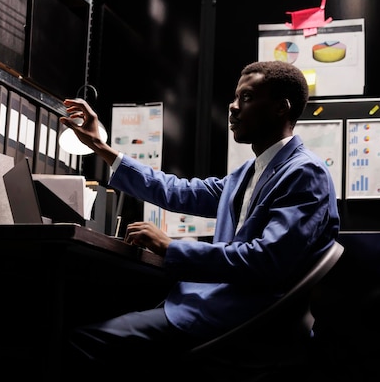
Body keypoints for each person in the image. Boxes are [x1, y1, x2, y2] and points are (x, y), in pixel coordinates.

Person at [60, 60, 340, 378]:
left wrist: (171, 247)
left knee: (83, 339)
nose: (233, 107)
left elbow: (268, 260)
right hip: (218, 304)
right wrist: (100, 147)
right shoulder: (251, 172)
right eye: (235, 97)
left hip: (245, 317)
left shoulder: (304, 172)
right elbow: (179, 192)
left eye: (246, 98)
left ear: (280, 108)